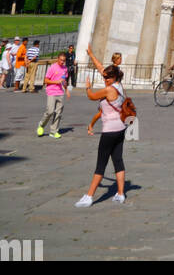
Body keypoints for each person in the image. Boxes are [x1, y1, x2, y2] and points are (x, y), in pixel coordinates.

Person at [75, 65, 128, 207]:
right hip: (121, 128)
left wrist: (87, 87)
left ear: (114, 77)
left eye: (107, 77)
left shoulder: (109, 89)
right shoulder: (120, 86)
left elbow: (92, 96)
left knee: (101, 164)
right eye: (103, 77)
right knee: (118, 160)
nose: (104, 79)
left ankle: (89, 196)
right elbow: (100, 67)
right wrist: (91, 55)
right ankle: (121, 194)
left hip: (109, 131)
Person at [37, 53, 69, 138]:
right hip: (51, 91)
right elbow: (46, 80)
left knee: (58, 112)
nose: (62, 62)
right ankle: (41, 125)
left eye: (64, 60)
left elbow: (64, 80)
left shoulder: (65, 69)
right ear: (58, 59)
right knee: (50, 111)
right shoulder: (52, 67)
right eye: (61, 60)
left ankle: (53, 131)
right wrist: (56, 82)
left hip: (60, 92)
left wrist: (66, 90)